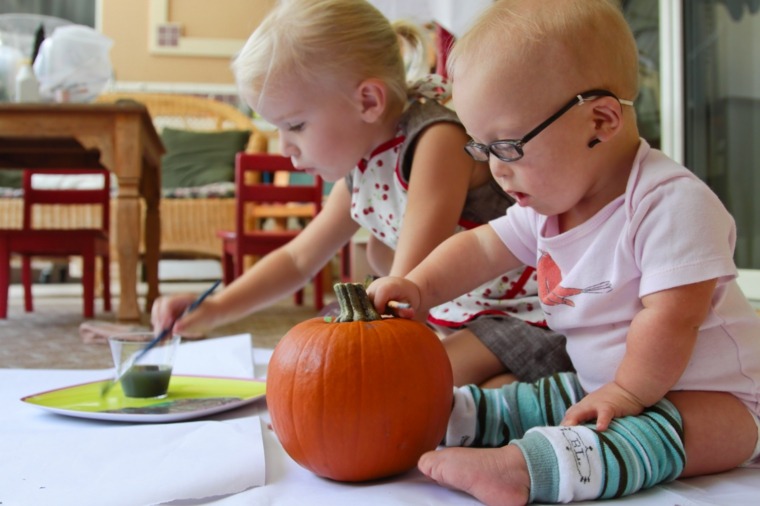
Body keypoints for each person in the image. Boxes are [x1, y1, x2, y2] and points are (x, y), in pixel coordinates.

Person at [368, 0, 760, 504]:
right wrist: (420, 285)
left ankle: (532, 469)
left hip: (719, 402)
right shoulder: (550, 207)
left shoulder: (670, 204)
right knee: (543, 398)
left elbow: (671, 319)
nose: (495, 170)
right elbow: (482, 247)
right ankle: (453, 416)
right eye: (482, 149)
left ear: (600, 120)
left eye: (507, 147)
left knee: (648, 436)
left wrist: (627, 396)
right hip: (607, 386)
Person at [150, 0, 573, 387]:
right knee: (395, 337)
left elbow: (407, 284)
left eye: (295, 125)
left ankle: (547, 390)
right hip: (459, 315)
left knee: (407, 386)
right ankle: (505, 392)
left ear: (368, 100)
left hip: (527, 313)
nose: (284, 147)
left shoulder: (436, 139)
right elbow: (299, 259)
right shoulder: (362, 163)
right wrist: (214, 309)